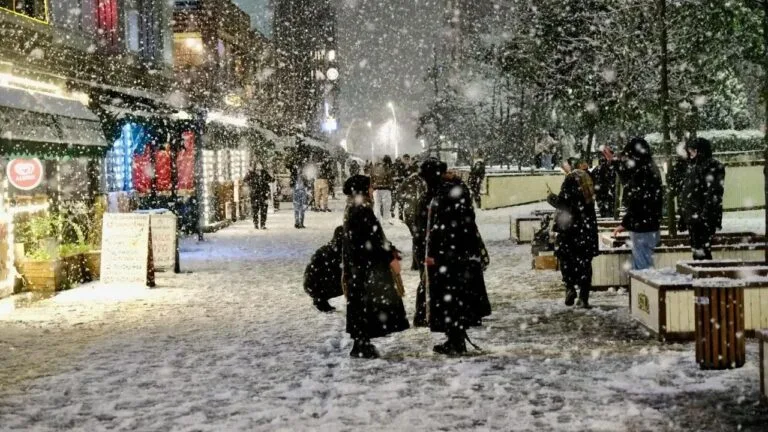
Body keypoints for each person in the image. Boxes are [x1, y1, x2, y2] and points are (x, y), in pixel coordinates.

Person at [416, 158, 491, 355]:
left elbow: (441, 227)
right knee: (454, 298)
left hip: (450, 256)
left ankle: (456, 340)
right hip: (457, 253)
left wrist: (434, 252)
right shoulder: (451, 189)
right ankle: (454, 338)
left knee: (451, 298)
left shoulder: (445, 193)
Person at [342, 175, 410, 358]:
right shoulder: (361, 210)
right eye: (369, 187)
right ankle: (361, 344)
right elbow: (373, 239)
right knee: (368, 304)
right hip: (366, 267)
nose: (372, 190)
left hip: (358, 267)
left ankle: (361, 342)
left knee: (361, 305)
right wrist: (389, 257)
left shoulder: (354, 208)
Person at [547, 158, 599, 307]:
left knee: (567, 260)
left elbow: (564, 204)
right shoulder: (588, 179)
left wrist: (551, 198)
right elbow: (588, 202)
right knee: (585, 263)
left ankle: (569, 287)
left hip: (569, 228)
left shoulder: (570, 179)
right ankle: (584, 296)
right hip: (586, 228)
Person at [609, 138, 664, 269]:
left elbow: (637, 200)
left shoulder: (643, 172)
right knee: (643, 262)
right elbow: (629, 182)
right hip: (648, 224)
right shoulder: (648, 168)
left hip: (642, 226)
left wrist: (625, 223)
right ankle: (641, 288)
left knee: (642, 267)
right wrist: (615, 164)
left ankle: (642, 289)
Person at [680, 138, 725, 260]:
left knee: (702, 250)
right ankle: (702, 272)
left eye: (693, 151)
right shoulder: (693, 166)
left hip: (702, 216)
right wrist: (684, 216)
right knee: (698, 250)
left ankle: (704, 272)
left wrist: (704, 215)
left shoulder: (711, 166)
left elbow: (713, 193)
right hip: (695, 215)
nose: (691, 154)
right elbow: (687, 192)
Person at [304, 226, 345, 312]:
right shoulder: (337, 251)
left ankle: (320, 298)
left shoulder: (331, 247)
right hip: (315, 285)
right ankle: (320, 299)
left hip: (312, 283)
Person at [395, 166, 427, 270]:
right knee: (420, 238)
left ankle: (416, 263)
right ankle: (418, 263)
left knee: (416, 237)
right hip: (418, 213)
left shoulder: (406, 181)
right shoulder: (422, 181)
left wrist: (400, 212)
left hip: (409, 212)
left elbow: (399, 197)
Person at [243, 162, 272, 230]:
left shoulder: (264, 172)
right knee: (255, 210)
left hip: (264, 193)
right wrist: (252, 183)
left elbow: (271, 179)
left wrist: (266, 181)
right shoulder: (251, 173)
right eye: (258, 165)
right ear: (255, 166)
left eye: (260, 165)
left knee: (264, 209)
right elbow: (245, 180)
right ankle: (256, 224)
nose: (259, 166)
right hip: (255, 193)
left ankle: (262, 224)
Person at [590, 146, 617, 218]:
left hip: (609, 196)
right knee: (606, 214)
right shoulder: (598, 169)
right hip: (604, 196)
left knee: (608, 214)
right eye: (604, 154)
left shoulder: (615, 168)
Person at [370, 155, 395, 223]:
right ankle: (386, 221)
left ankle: (377, 221)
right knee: (386, 206)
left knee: (377, 205)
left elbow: (371, 178)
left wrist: (373, 185)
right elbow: (390, 179)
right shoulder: (387, 168)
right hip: (385, 189)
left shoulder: (374, 168)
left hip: (376, 189)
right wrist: (391, 185)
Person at [289, 163, 309, 229]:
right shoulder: (294, 176)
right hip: (297, 192)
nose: (299, 170)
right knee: (297, 208)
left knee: (301, 208)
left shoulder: (302, 176)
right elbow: (291, 184)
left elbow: (306, 184)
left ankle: (300, 223)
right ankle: (297, 222)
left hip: (301, 192)